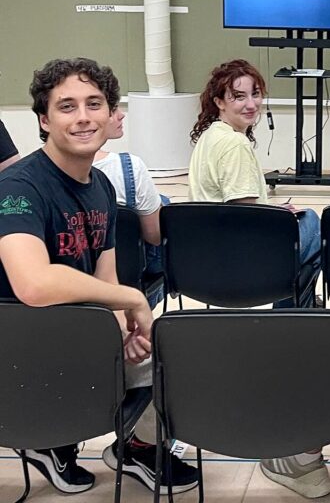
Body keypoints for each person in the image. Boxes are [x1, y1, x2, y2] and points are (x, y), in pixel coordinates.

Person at [0, 57, 197, 496]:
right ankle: (53, 436)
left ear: (112, 115)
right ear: (43, 120)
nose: (84, 117)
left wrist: (119, 332)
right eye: (67, 106)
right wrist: (131, 298)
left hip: (75, 336)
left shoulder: (101, 187)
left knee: (167, 349)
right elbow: (32, 284)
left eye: (95, 103)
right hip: (20, 348)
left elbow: (103, 278)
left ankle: (135, 444)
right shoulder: (19, 188)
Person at [188, 59, 321, 308]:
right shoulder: (235, 144)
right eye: (239, 97)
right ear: (219, 102)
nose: (251, 104)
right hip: (238, 258)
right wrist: (275, 217)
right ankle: (292, 317)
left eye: (256, 94)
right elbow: (246, 218)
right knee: (311, 223)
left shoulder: (209, 136)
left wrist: (273, 210)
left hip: (207, 253)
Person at [93, 105, 167, 308]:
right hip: (128, 288)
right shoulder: (130, 169)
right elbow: (155, 236)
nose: (121, 115)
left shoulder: (33, 175)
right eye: (114, 109)